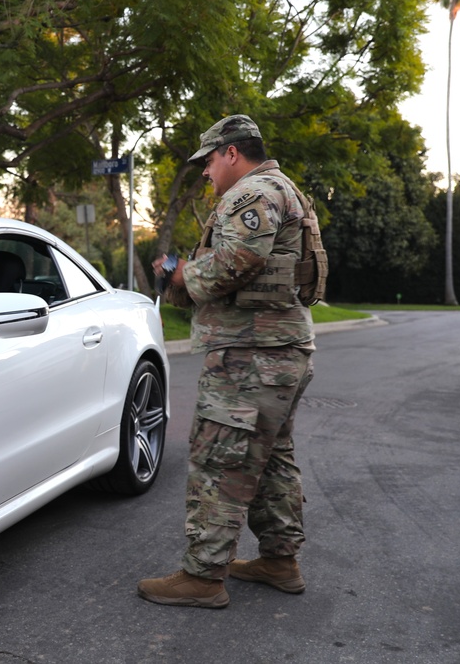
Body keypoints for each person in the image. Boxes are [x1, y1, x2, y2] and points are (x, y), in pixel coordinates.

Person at [138, 115, 315, 609]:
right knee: (272, 460)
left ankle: (203, 576)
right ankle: (280, 561)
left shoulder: (251, 194)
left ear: (232, 153)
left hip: (252, 356)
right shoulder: (284, 190)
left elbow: (236, 262)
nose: (204, 172)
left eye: (209, 160)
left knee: (219, 460)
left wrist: (179, 276)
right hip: (281, 350)